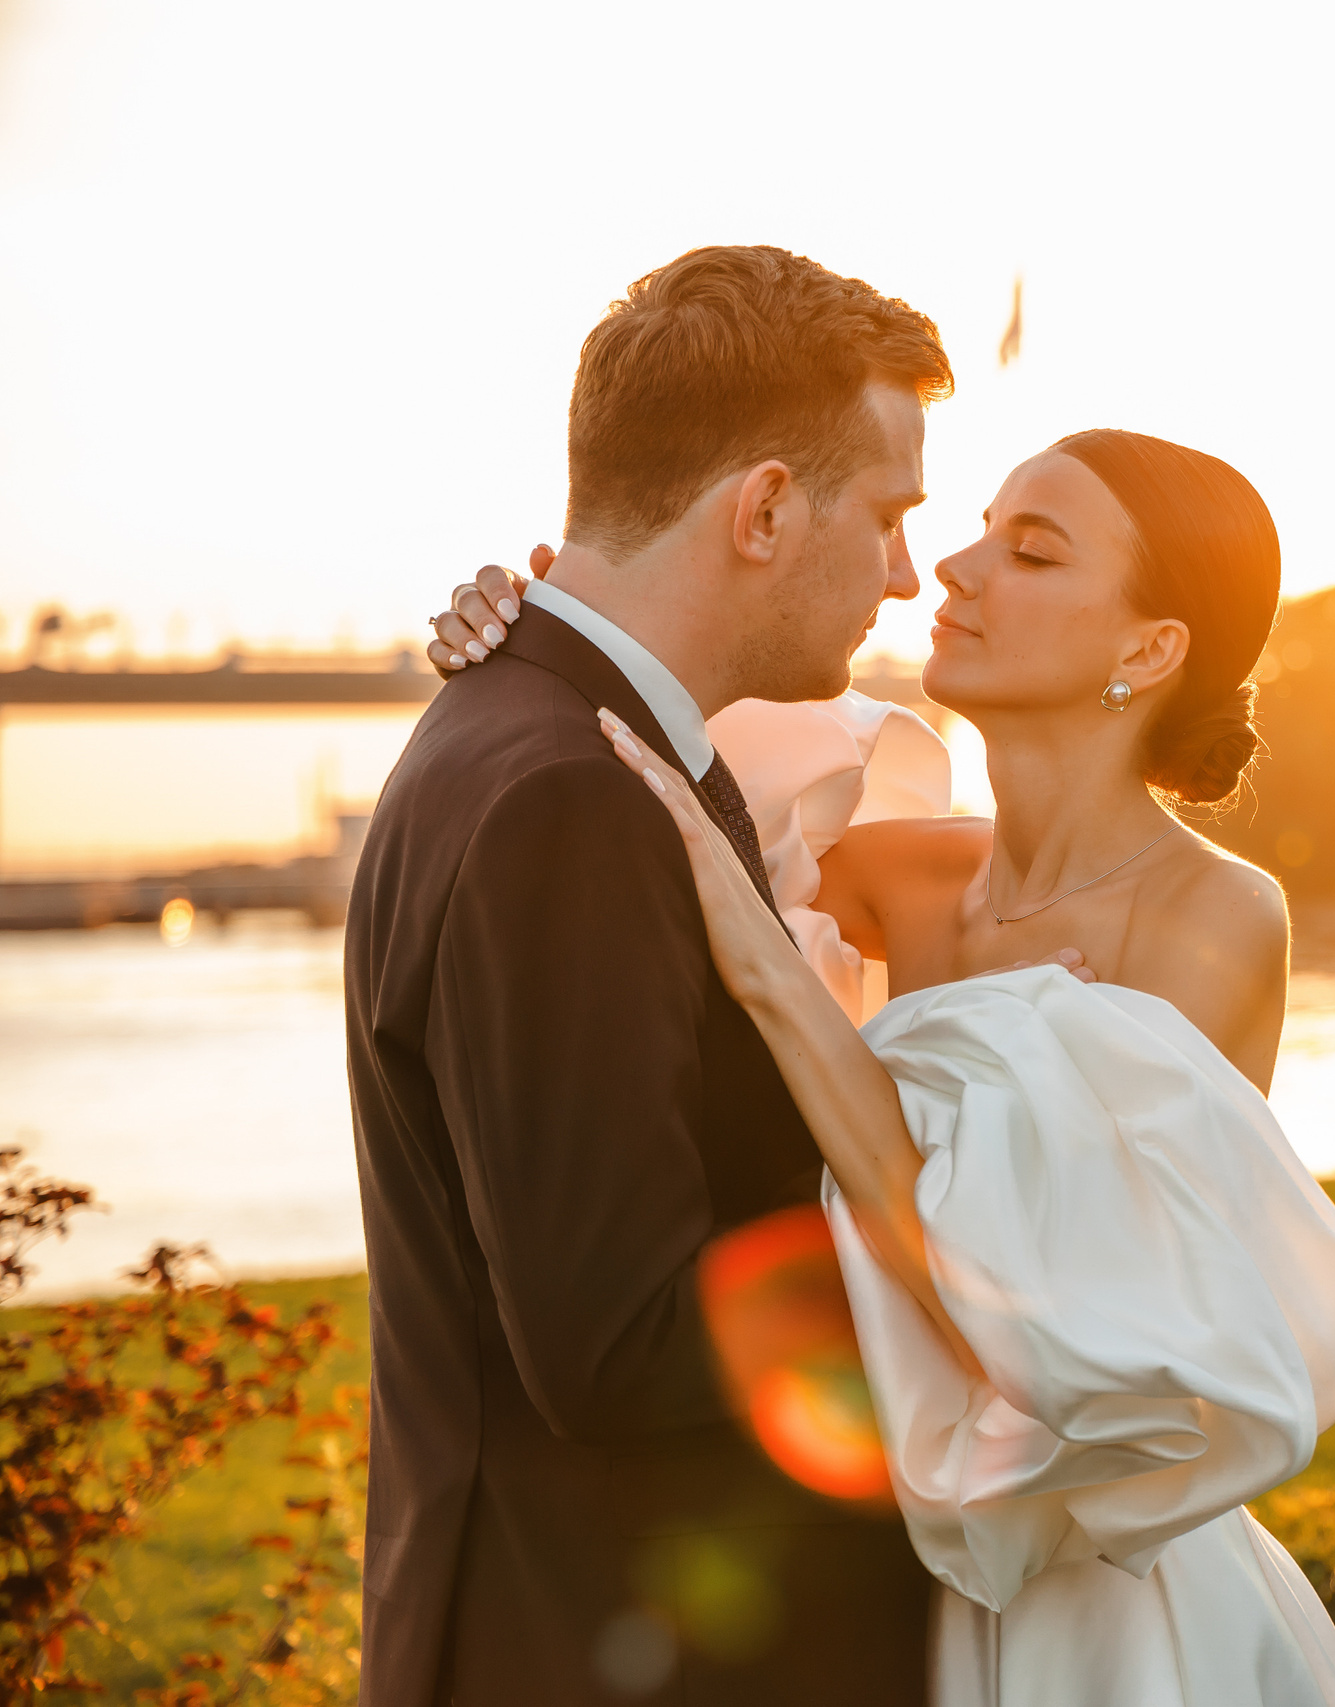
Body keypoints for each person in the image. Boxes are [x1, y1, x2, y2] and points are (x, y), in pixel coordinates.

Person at [430, 429, 1335, 1704]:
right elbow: (647, 792)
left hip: (1102, 1609)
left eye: (1032, 553)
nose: (954, 571)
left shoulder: (1213, 917)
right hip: (900, 1576)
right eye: (981, 529)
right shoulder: (886, 871)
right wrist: (546, 620)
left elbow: (1029, 1312)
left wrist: (775, 977)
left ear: (1150, 650)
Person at [345, 244, 956, 1705]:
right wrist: (982, 1289)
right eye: (888, 514)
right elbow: (615, 1342)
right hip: (600, 1651)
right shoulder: (569, 790)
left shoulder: (555, 732)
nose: (905, 573)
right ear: (764, 510)